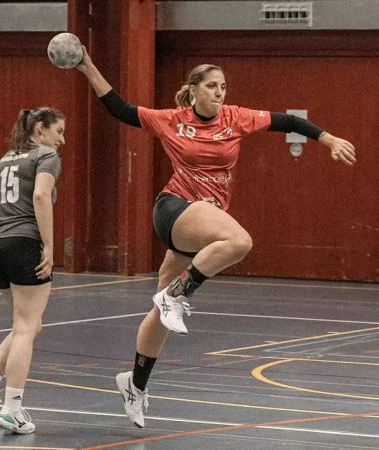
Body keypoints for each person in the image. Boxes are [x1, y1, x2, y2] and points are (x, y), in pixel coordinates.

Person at [75, 49, 356, 427]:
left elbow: (286, 120)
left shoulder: (235, 118)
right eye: (211, 86)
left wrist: (327, 138)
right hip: (174, 208)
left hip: (200, 221)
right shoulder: (171, 120)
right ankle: (177, 294)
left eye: (223, 86)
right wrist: (89, 66)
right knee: (240, 241)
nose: (219, 92)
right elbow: (121, 109)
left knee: (159, 315)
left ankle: (135, 384)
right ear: (193, 91)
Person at [0, 107, 65, 434]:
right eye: (58, 131)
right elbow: (40, 195)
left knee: (27, 326)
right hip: (24, 243)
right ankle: (12, 408)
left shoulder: (1, 161)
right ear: (40, 128)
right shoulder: (45, 156)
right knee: (25, 328)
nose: (61, 140)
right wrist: (48, 245)